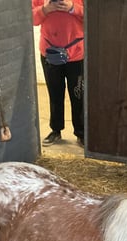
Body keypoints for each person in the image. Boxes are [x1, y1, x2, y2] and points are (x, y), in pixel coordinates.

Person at [32, 0, 84, 146]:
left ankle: (81, 132)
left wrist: (73, 8)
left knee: (78, 95)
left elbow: (93, 16)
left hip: (77, 53)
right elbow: (31, 19)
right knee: (54, 94)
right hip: (50, 52)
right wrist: (45, 9)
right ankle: (56, 130)